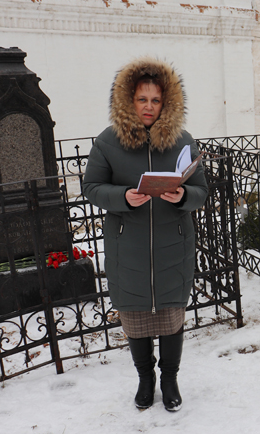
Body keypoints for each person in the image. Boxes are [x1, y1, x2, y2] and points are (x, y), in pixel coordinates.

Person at [83, 57, 208, 412]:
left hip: (173, 244)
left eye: (156, 100)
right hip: (129, 246)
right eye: (142, 99)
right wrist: (123, 197)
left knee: (171, 317)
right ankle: (145, 379)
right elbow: (91, 187)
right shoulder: (108, 142)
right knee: (136, 319)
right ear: (128, 100)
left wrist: (182, 196)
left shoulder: (182, 140)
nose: (149, 106)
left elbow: (201, 191)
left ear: (167, 102)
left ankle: (169, 379)